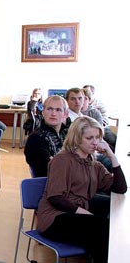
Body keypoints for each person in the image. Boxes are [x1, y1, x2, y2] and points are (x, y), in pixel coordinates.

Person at [37, 116, 127, 263]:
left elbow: (120, 188)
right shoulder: (62, 160)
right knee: (103, 230)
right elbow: (55, 198)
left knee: (109, 227)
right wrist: (83, 212)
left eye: (98, 137)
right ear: (77, 139)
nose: (95, 142)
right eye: (89, 138)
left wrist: (112, 157)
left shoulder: (92, 163)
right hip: (55, 217)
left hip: (75, 212)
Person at [24, 95, 69, 177]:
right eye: (49, 109)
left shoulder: (68, 133)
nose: (53, 113)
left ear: (65, 114)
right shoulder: (36, 138)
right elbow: (49, 167)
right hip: (50, 184)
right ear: (43, 112)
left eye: (58, 110)